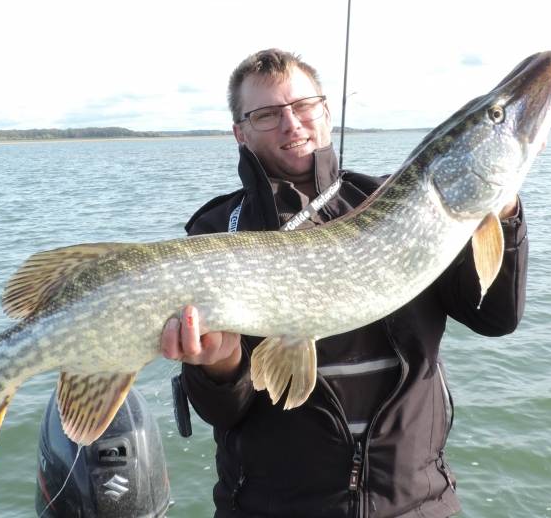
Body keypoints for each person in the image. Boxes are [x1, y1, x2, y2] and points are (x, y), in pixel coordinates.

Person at [160, 48, 527, 517]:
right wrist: (220, 365)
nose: (292, 125)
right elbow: (224, 411)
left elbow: (495, 317)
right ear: (241, 133)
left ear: (325, 111)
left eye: (303, 106)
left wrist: (506, 213)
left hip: (416, 501)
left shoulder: (397, 202)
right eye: (268, 115)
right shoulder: (216, 230)